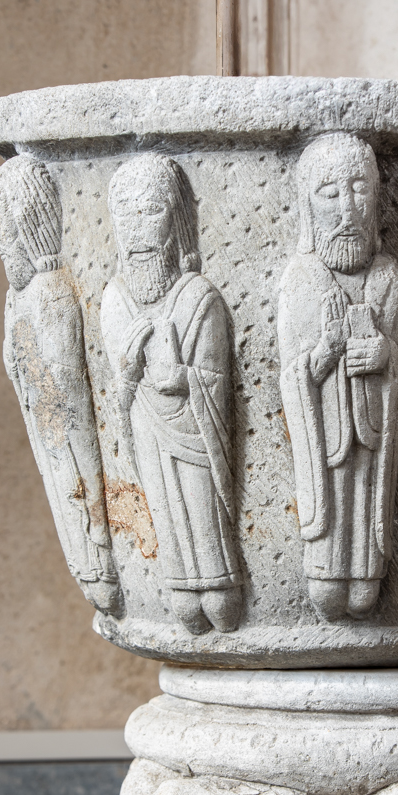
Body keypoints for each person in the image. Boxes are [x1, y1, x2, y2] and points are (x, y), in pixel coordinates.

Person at [102, 153, 241, 634]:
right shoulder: (115, 301)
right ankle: (180, 586)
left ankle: (219, 582)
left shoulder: (198, 297)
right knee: (165, 514)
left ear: (177, 220)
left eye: (151, 210)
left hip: (194, 437)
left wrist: (184, 379)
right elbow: (118, 403)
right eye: (126, 213)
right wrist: (126, 376)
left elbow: (216, 381)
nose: (138, 229)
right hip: (148, 439)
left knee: (201, 513)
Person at [277, 133, 398, 620]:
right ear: (307, 206)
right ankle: (325, 569)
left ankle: (367, 570)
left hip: (371, 442)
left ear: (377, 198)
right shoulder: (302, 280)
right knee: (329, 595)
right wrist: (326, 349)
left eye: (359, 189)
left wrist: (386, 356)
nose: (347, 210)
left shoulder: (388, 278)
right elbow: (292, 377)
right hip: (326, 446)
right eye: (330, 193)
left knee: (363, 593)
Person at [0, 155, 122, 615]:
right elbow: (18, 365)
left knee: (80, 507)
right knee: (68, 506)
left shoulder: (52, 291)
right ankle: (92, 564)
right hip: (48, 430)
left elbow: (71, 390)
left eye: (7, 236)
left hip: (67, 433)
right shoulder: (19, 296)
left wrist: (97, 500)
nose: (3, 249)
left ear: (29, 231)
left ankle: (99, 557)